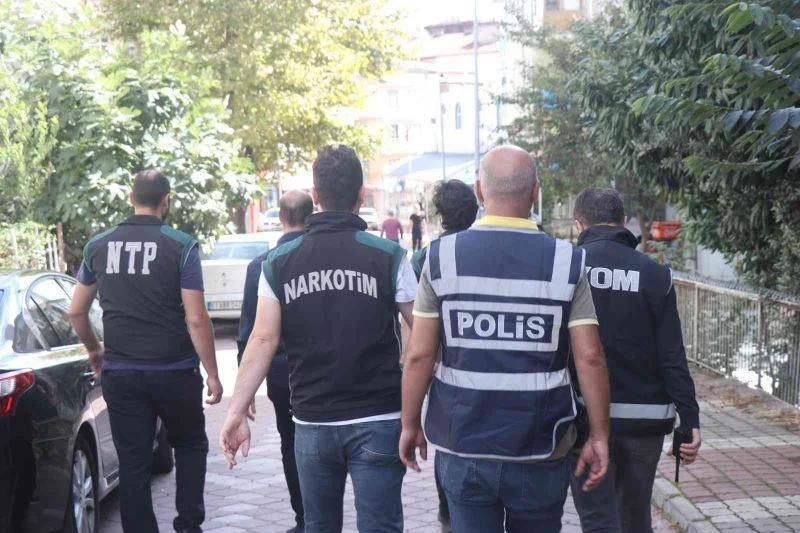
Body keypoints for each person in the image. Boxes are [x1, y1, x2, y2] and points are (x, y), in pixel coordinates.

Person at [399, 145, 611, 533]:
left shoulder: (442, 258)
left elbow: (419, 355)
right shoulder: (565, 261)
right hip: (542, 446)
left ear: (480, 191)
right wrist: (599, 435)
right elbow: (590, 357)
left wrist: (409, 423)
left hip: (464, 445)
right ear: (535, 192)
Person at [220, 145, 417, 533]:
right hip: (378, 417)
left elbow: (263, 339)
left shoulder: (279, 262)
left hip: (313, 421)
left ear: (316, 195)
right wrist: (413, 410)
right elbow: (422, 335)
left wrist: (236, 411)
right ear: (361, 195)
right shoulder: (390, 256)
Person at [69, 169, 222, 533]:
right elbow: (196, 318)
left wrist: (94, 349)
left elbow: (76, 311)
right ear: (166, 200)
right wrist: (213, 373)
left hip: (121, 373)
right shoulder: (181, 246)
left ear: (130, 197)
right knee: (190, 444)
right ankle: (188, 525)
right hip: (175, 371)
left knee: (133, 461)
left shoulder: (98, 246)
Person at [570, 187, 701, 533]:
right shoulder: (656, 275)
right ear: (624, 221)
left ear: (578, 224)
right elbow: (672, 355)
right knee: (636, 516)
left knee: (598, 520)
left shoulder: (567, 269)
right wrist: (690, 418)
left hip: (583, 419)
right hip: (645, 423)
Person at [237, 190, 313, 533]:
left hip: (282, 373)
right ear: (310, 217)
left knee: (290, 441)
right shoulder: (320, 257)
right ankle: (320, 517)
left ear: (280, 218)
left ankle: (304, 517)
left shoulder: (262, 264)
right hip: (321, 369)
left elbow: (249, 331)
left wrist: (246, 387)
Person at [409, 179, 478, 533]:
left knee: (448, 446)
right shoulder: (483, 250)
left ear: (439, 215)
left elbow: (414, 331)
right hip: (479, 361)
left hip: (440, 367)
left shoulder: (426, 257)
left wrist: (409, 418)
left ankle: (449, 517)